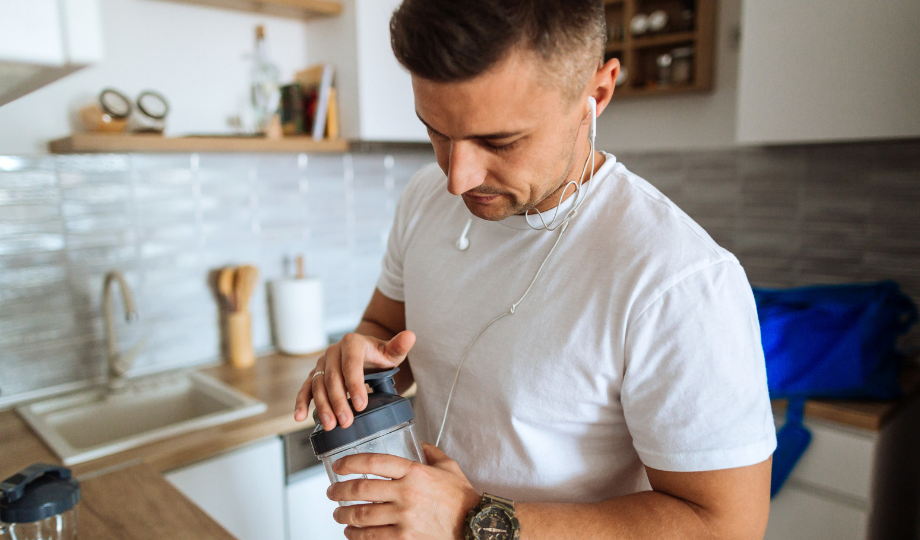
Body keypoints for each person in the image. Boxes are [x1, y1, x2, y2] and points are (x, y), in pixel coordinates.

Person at [294, 0, 777, 538]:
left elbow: (726, 526)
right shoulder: (425, 198)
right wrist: (357, 366)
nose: (458, 177)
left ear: (596, 94)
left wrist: (469, 520)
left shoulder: (679, 278)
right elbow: (384, 334)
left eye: (499, 141)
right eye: (436, 132)